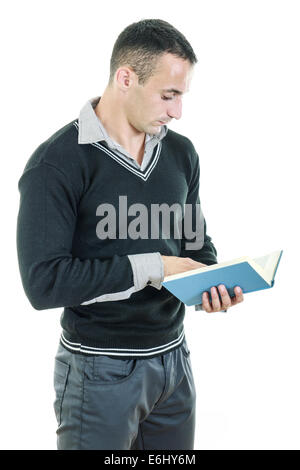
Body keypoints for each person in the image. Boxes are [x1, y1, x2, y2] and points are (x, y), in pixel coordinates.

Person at [16, 18, 244, 450]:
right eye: (168, 95)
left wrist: (210, 284)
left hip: (174, 365)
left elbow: (195, 245)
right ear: (126, 79)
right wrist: (154, 268)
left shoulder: (181, 152)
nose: (177, 111)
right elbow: (44, 283)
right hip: (98, 372)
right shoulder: (57, 163)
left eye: (181, 96)